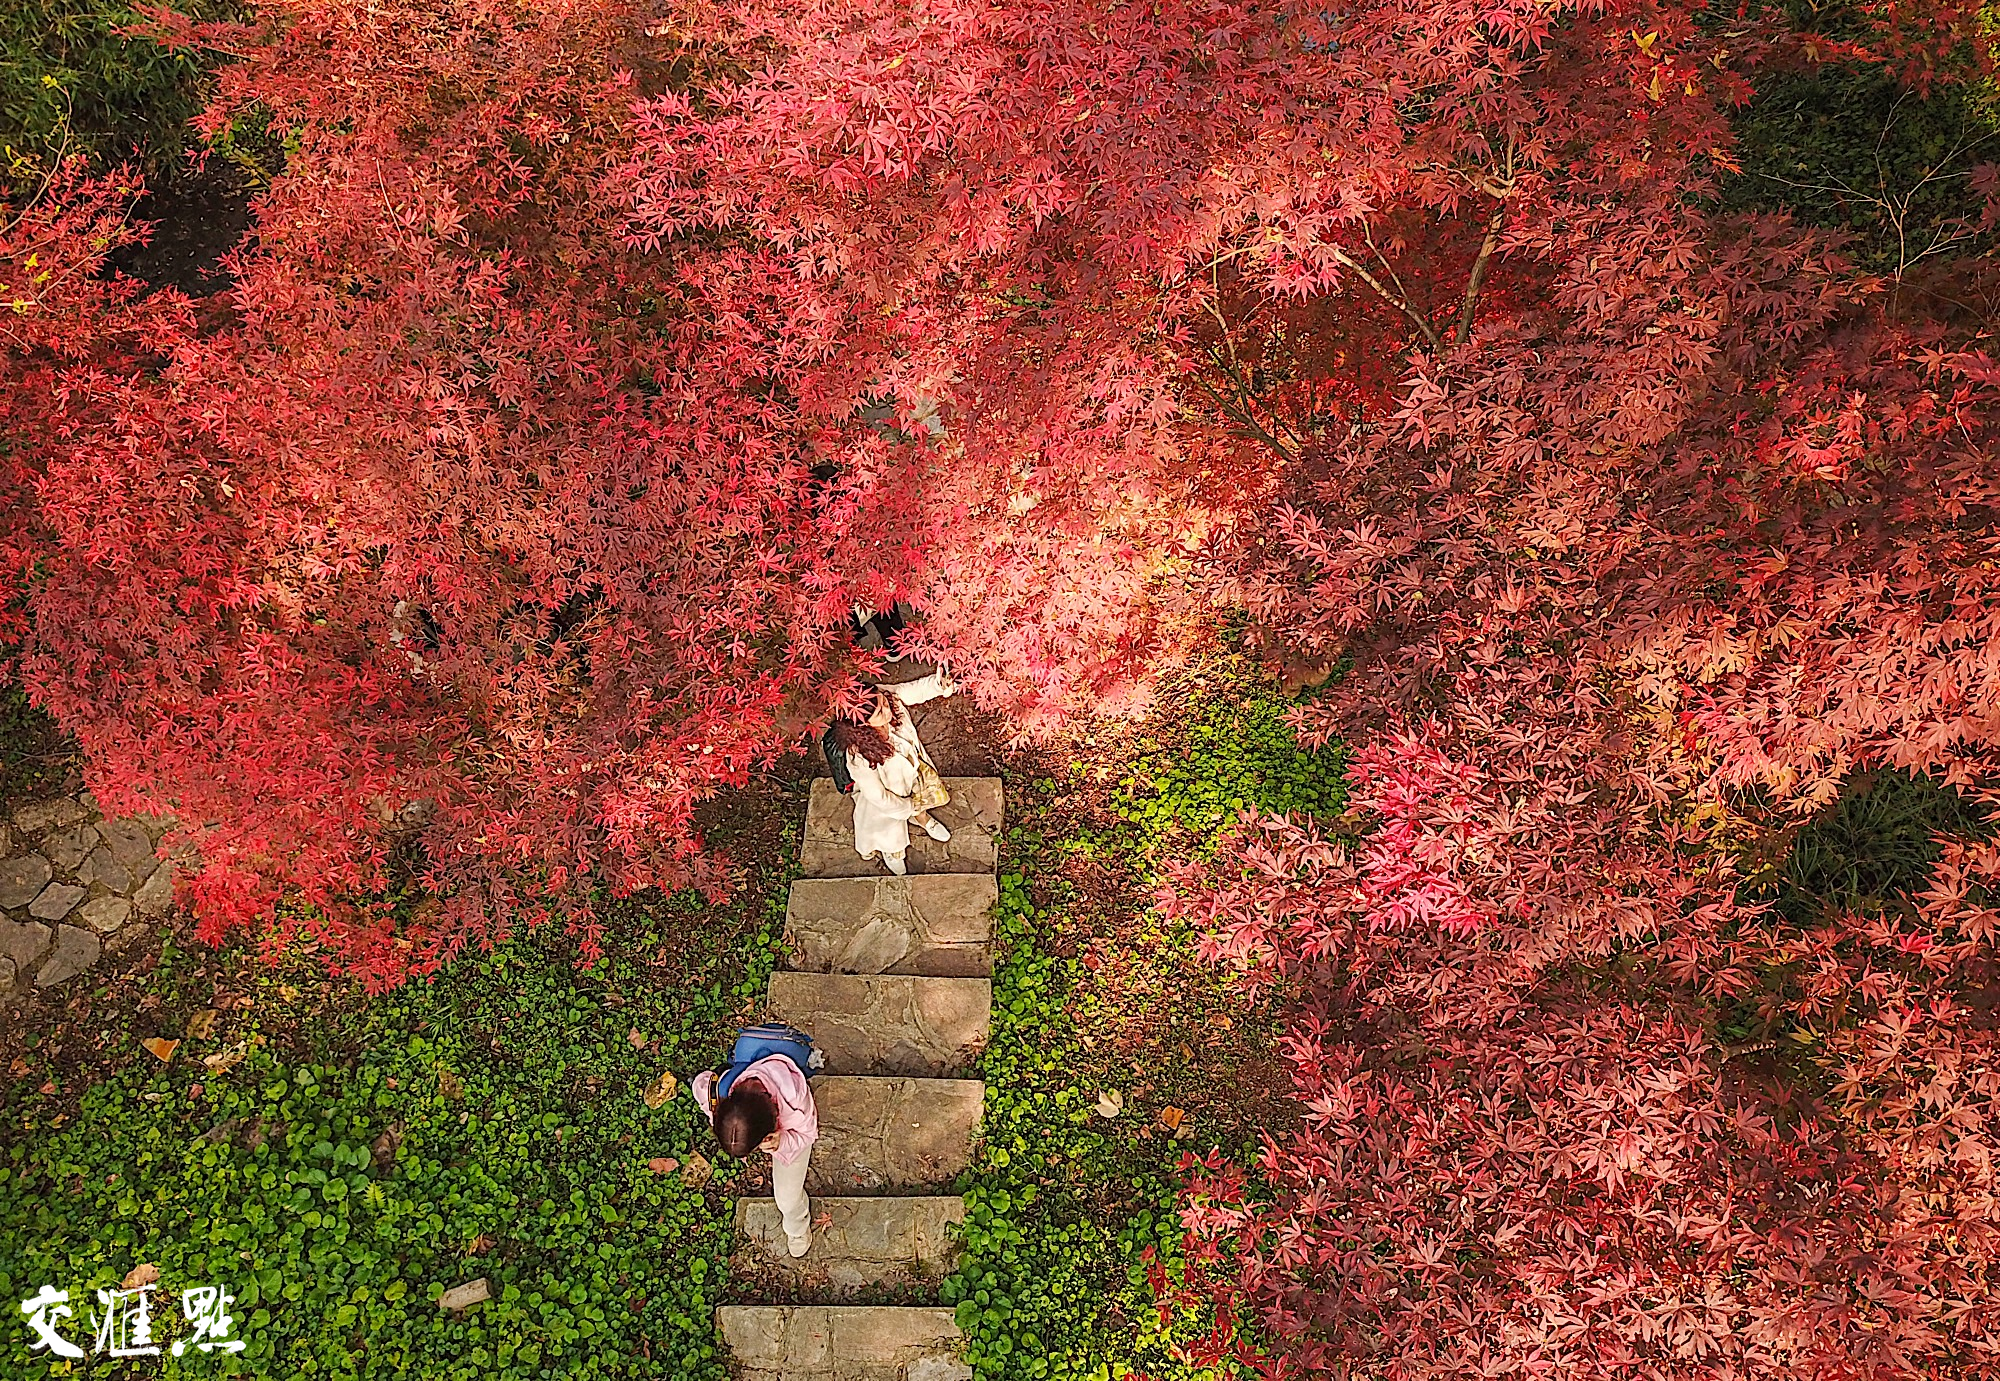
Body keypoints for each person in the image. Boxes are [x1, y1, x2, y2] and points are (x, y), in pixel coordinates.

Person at [694, 1025, 821, 1258]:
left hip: (789, 1128)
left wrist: (783, 1141)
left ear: (773, 1123)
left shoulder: (793, 1098)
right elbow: (700, 1084)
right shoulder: (719, 1094)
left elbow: (807, 1133)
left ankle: (797, 1229)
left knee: (787, 1198)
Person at [828, 671, 959, 875]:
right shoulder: (859, 757)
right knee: (888, 832)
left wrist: (938, 684)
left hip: (911, 770)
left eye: (884, 704)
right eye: (880, 712)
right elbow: (878, 796)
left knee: (919, 798)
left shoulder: (885, 699)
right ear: (862, 725)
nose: (887, 711)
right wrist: (904, 807)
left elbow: (910, 691)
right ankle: (893, 852)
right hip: (889, 798)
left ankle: (922, 819)